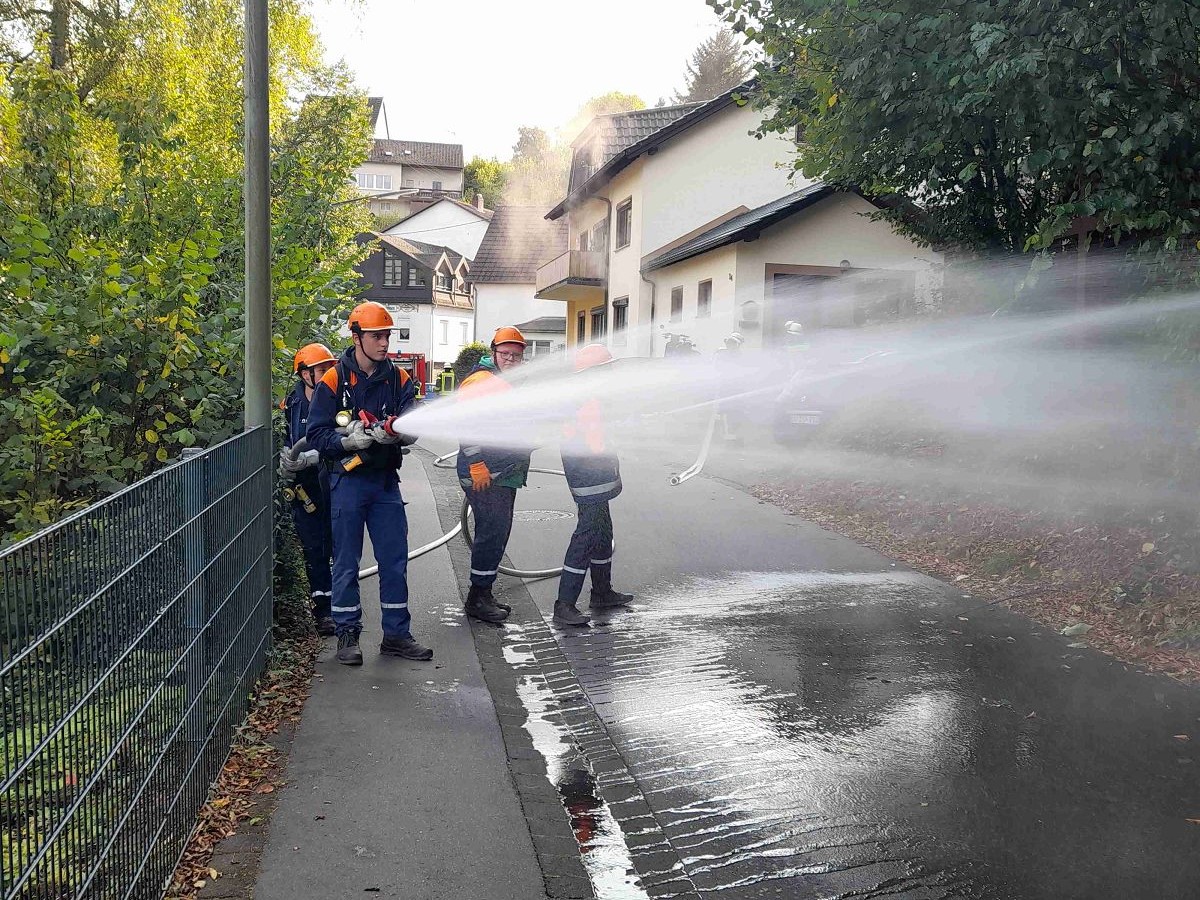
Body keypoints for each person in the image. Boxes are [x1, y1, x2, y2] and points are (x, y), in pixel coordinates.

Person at [306, 301, 432, 666]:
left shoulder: (399, 378)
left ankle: (396, 635)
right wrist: (348, 441)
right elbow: (315, 435)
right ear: (357, 336)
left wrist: (401, 435)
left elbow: (411, 420)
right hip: (347, 481)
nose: (384, 343)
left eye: (387, 336)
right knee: (345, 561)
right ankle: (347, 634)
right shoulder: (333, 380)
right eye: (376, 336)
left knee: (394, 559)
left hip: (384, 482)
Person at [456, 326, 532, 624]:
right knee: (491, 532)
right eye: (505, 353)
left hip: (502, 472)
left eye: (516, 354)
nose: (511, 358)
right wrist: (476, 463)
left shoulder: (506, 381)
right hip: (484, 473)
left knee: (497, 531)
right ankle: (477, 598)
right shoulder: (480, 381)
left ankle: (484, 593)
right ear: (493, 353)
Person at [554, 343, 634, 627]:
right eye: (607, 368)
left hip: (593, 476)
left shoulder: (588, 397)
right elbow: (597, 441)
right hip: (589, 478)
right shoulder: (588, 401)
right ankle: (564, 603)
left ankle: (602, 592)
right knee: (587, 534)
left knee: (602, 531)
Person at [279, 343, 337, 637]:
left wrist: (317, 454)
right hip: (305, 488)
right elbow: (285, 438)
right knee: (314, 550)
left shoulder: (337, 398)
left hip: (335, 482)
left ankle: (343, 606)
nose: (327, 374)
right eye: (321, 369)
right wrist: (286, 459)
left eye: (329, 368)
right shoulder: (293, 403)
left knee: (339, 546)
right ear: (304, 374)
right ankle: (323, 612)